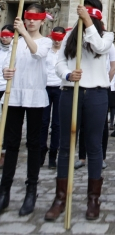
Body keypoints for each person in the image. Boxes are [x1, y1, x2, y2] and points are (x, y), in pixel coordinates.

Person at [44, 0, 113, 222]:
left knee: (93, 147)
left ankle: (93, 199)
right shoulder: (69, 37)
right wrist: (67, 75)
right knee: (66, 145)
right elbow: (60, 62)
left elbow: (100, 48)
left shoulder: (106, 36)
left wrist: (87, 23)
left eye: (91, 17)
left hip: (96, 94)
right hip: (70, 93)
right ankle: (60, 198)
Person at [0, 5, 52, 216]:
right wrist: (6, 71)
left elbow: (37, 53)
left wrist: (21, 33)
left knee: (34, 144)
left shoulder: (46, 41)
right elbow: (7, 66)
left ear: (42, 21)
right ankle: (5, 190)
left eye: (34, 18)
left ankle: (31, 190)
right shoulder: (15, 44)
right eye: (27, 18)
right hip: (14, 96)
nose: (30, 22)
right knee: (11, 145)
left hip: (35, 97)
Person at [40, 26, 66, 169]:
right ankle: (41, 150)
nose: (57, 42)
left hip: (60, 88)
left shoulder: (65, 52)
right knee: (43, 122)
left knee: (56, 123)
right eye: (55, 39)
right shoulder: (46, 51)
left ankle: (53, 154)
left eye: (60, 39)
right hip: (45, 87)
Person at [0, 25, 15, 169]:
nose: (5, 37)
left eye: (8, 35)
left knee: (7, 120)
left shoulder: (16, 49)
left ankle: (4, 148)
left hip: (8, 88)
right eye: (2, 35)